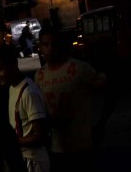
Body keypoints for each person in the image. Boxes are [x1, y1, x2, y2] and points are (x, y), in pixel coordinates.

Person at [34, 27, 108, 172]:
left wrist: (100, 122)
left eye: (53, 44)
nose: (49, 49)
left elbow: (107, 88)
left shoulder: (79, 69)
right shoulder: (39, 75)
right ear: (40, 47)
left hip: (82, 146)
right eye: (45, 44)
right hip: (56, 146)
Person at [0, 45, 50, 172]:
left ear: (13, 64)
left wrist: (10, 141)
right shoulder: (12, 87)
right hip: (21, 158)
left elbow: (41, 135)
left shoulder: (29, 92)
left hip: (33, 161)